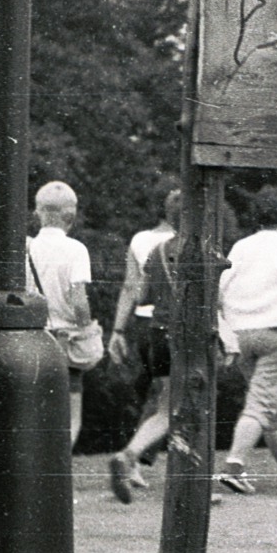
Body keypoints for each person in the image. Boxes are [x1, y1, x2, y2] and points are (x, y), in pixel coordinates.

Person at [215, 185, 277, 494]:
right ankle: (234, 465)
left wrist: (227, 328)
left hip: (241, 332)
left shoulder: (242, 246)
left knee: (272, 402)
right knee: (262, 402)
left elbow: (220, 288)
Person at [108, 188, 181, 502]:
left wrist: (117, 330)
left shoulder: (141, 241)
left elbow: (133, 289)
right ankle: (138, 460)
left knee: (156, 397)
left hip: (147, 325)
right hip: (182, 328)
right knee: (174, 402)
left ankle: (135, 458)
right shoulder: (198, 244)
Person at [26, 181, 97, 451]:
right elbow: (79, 302)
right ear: (72, 215)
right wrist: (87, 328)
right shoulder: (76, 250)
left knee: (35, 410)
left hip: (31, 336)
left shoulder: (26, 248)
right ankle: (54, 474)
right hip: (67, 340)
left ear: (37, 213)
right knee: (70, 417)